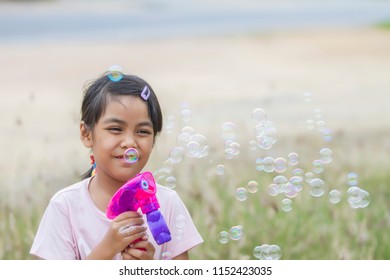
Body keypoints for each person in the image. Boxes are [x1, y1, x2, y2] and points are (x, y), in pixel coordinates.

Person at [30, 70, 203, 260]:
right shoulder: (65, 207)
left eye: (143, 131)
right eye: (115, 129)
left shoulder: (168, 203)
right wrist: (107, 248)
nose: (130, 142)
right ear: (87, 134)